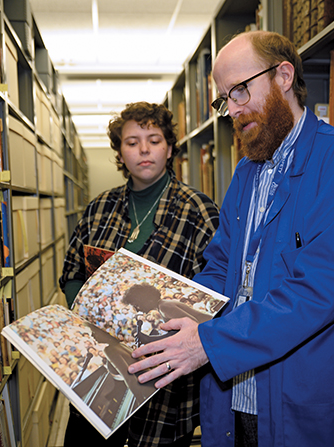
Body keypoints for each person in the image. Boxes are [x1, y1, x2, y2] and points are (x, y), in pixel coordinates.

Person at [128, 30, 334, 446]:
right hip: (237, 401)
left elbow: (321, 290)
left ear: (284, 75)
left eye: (241, 91)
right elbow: (221, 265)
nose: (232, 109)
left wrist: (208, 344)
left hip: (305, 402)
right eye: (224, 98)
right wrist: (173, 319)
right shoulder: (247, 172)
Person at [59, 101, 220, 447]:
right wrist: (90, 317)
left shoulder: (199, 211)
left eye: (154, 139)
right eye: (132, 142)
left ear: (170, 147)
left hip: (164, 383)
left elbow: (215, 293)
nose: (144, 149)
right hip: (97, 370)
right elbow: (72, 271)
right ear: (119, 151)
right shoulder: (99, 208)